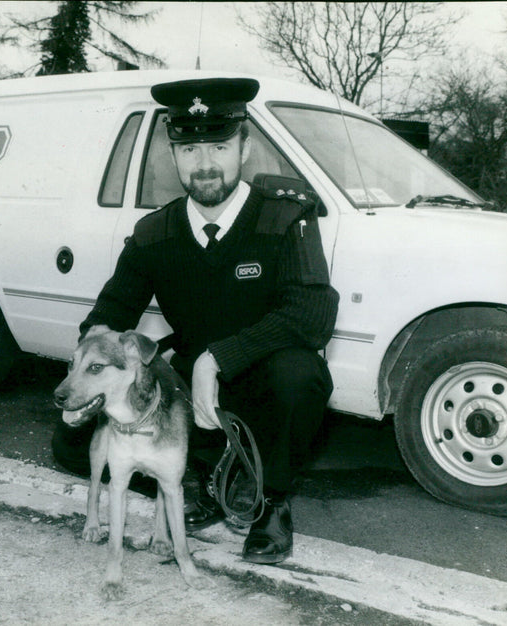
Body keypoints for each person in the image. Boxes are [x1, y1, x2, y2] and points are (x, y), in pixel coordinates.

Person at [52, 77, 339, 564]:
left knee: (302, 375)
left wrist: (219, 358)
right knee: (71, 444)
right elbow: (107, 315)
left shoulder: (285, 217)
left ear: (245, 148)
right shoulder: (155, 232)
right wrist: (97, 363)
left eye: (220, 146)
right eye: (189, 149)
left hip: (264, 381)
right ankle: (197, 480)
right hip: (187, 390)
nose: (205, 163)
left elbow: (311, 316)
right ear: (173, 155)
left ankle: (271, 502)